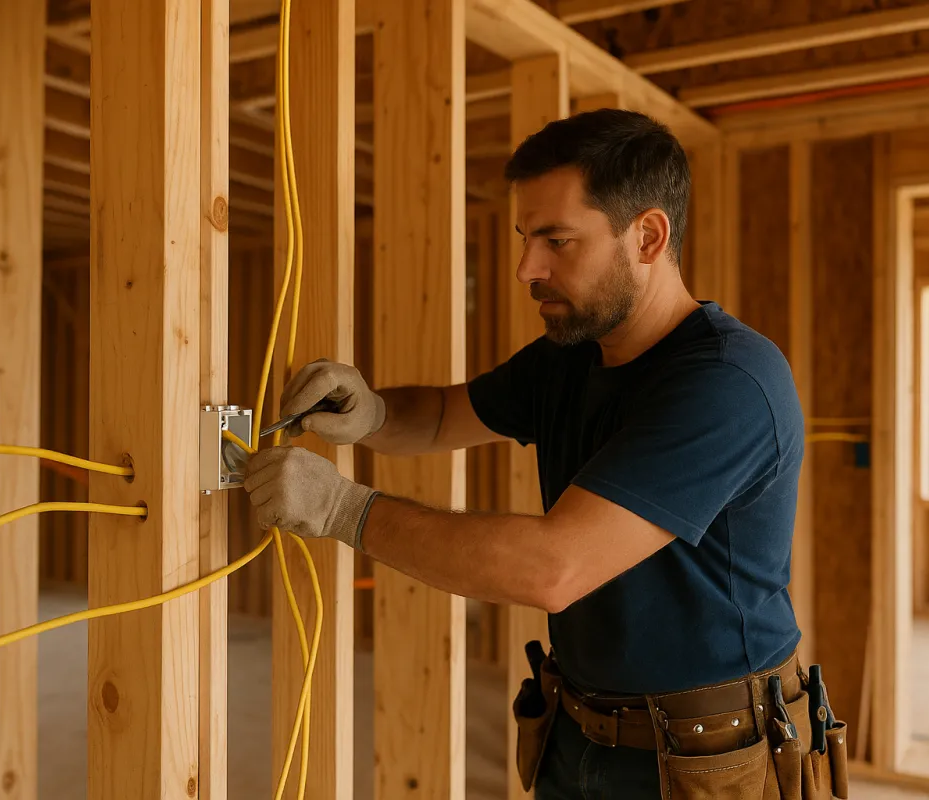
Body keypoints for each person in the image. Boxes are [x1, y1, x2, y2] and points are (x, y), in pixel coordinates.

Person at [243, 109, 846, 799]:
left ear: (647, 236)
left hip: (714, 759)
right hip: (579, 729)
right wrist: (372, 410)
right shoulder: (574, 355)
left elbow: (552, 567)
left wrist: (345, 510)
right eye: (527, 238)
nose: (529, 267)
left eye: (557, 240)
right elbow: (444, 415)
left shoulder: (727, 383)